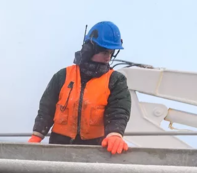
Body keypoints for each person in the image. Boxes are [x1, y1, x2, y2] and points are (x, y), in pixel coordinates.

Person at [28, 21, 131, 155]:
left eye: (111, 52)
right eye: (105, 51)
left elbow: (119, 110)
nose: (108, 56)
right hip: (59, 146)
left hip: (95, 149)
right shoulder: (62, 76)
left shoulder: (116, 80)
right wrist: (38, 134)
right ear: (90, 49)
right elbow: (46, 108)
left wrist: (115, 133)